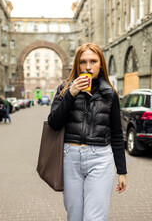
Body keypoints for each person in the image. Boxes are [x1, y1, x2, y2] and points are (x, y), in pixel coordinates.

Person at [48, 43, 127, 221]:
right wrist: (71, 93)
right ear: (77, 65)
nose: (88, 67)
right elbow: (54, 123)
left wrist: (122, 171)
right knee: (74, 216)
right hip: (70, 159)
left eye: (93, 61)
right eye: (83, 62)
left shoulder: (110, 93)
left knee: (95, 218)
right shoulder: (64, 88)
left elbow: (116, 133)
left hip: (100, 159)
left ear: (101, 64)